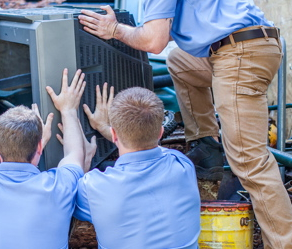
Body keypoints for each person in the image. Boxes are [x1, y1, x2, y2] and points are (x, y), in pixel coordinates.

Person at [77, 0, 292, 247]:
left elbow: (153, 40)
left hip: (240, 53)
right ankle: (207, 146)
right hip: (236, 49)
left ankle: (285, 245)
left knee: (249, 161)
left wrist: (114, 31)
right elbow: (167, 46)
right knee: (180, 61)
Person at [0, 69, 96, 249]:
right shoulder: (60, 187)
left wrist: (38, 142)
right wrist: (69, 110)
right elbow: (75, 154)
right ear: (39, 146)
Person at [77, 85, 200, 248]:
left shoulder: (93, 186)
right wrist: (106, 129)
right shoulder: (183, 165)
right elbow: (146, 144)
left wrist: (70, 112)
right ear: (161, 132)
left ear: (114, 134)